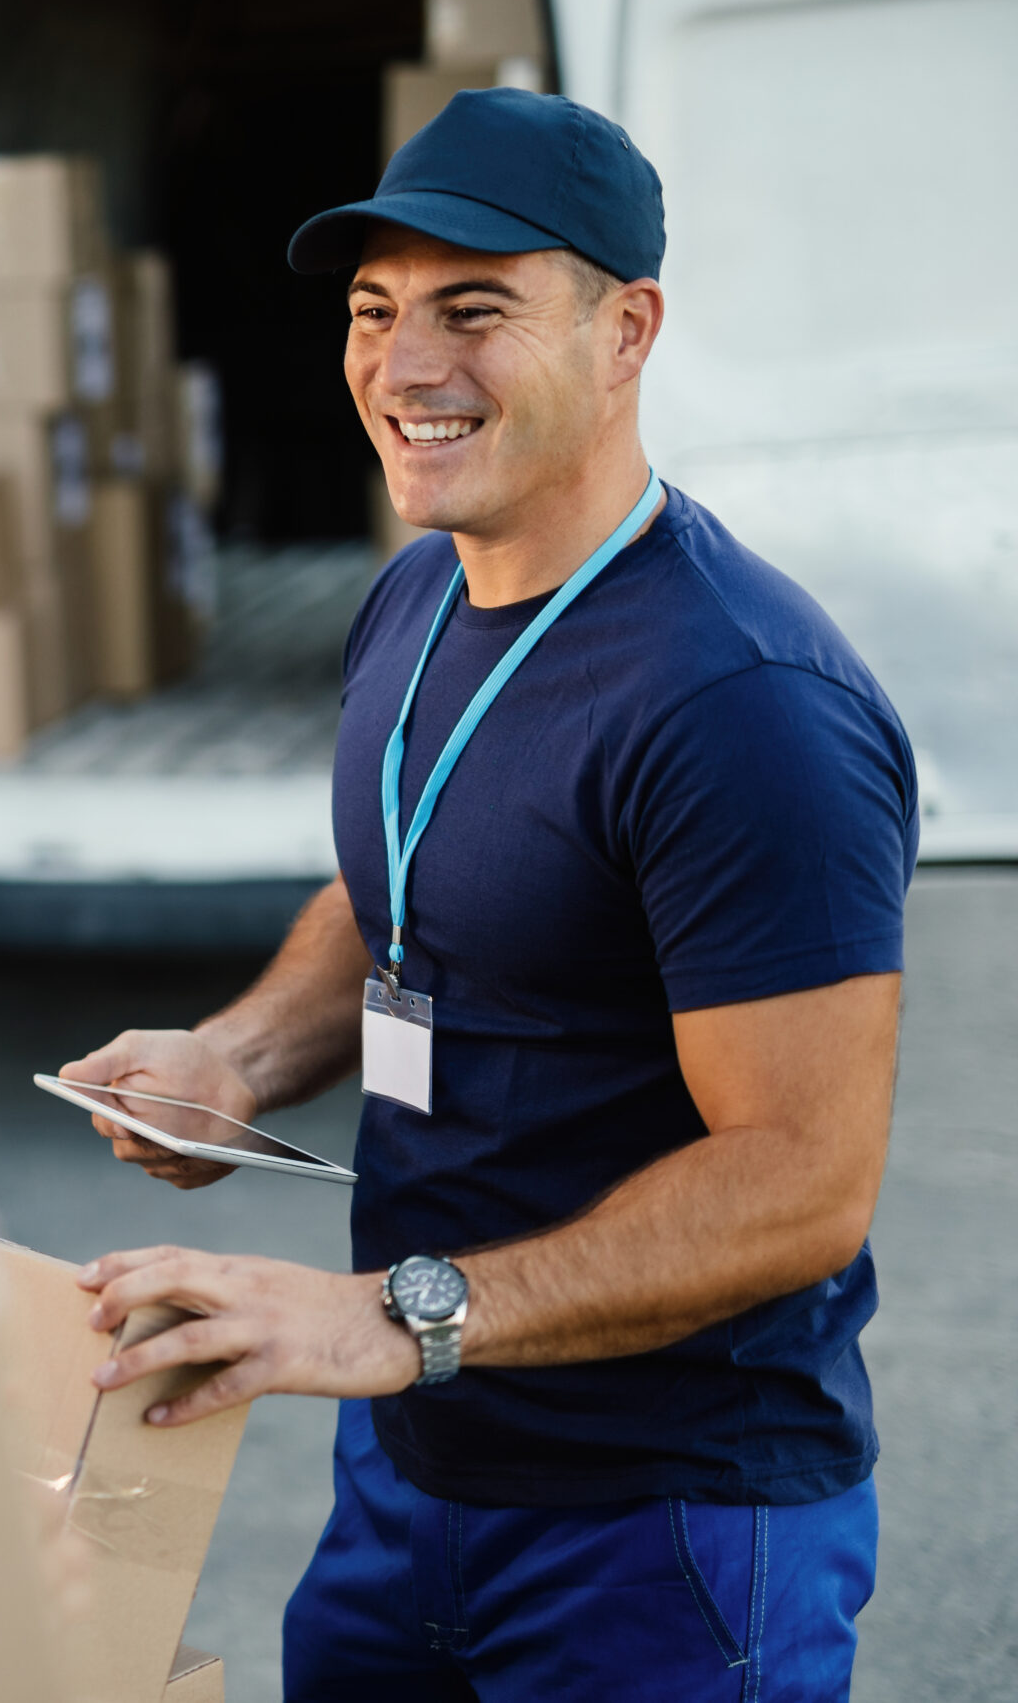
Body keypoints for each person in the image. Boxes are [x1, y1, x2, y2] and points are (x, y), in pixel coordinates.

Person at [60, 90, 913, 1699]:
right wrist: (238, 1056)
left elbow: (804, 1180)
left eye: (474, 308)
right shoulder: (418, 594)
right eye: (374, 311)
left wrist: (393, 1316)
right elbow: (410, 884)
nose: (405, 365)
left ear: (626, 330)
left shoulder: (742, 701)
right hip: (415, 1468)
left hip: (661, 1522)